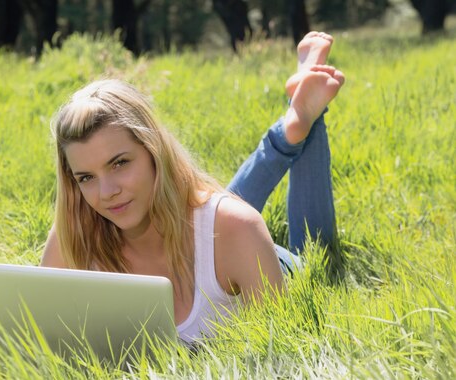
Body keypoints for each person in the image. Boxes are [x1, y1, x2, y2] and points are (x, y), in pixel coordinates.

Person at [41, 32, 345, 345]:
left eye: (119, 163)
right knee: (217, 219)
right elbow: (37, 338)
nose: (106, 192)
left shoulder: (238, 230)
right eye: (86, 177)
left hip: (269, 261)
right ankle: (291, 126)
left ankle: (307, 113)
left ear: (153, 151)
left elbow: (281, 353)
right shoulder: (74, 235)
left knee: (316, 253)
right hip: (205, 232)